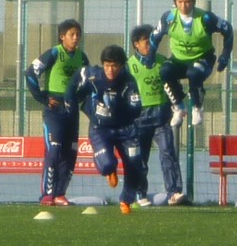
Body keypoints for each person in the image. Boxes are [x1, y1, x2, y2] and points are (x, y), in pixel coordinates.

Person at [65, 45, 144, 215]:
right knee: (108, 164)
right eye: (107, 65)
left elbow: (137, 108)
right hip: (100, 128)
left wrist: (118, 107)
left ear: (122, 65)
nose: (110, 70)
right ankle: (109, 170)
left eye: (114, 65)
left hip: (126, 129)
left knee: (135, 165)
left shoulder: (129, 81)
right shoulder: (93, 75)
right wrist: (71, 102)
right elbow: (74, 82)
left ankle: (125, 200)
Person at [25, 19, 89, 206]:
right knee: (54, 150)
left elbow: (89, 81)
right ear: (62, 36)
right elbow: (30, 72)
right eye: (72, 34)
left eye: (78, 34)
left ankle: (60, 193)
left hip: (72, 110)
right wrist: (42, 97)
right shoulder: (54, 53)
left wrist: (80, 97)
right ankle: (47, 193)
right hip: (54, 109)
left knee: (71, 152)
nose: (76, 38)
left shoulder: (82, 58)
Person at [151, 0, 234, 127]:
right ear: (175, 2)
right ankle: (178, 106)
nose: (183, 6)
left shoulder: (205, 18)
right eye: (180, 2)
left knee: (193, 73)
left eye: (187, 2)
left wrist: (225, 56)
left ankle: (197, 106)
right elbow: (154, 37)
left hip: (203, 57)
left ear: (194, 1)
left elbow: (228, 30)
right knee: (164, 71)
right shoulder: (168, 19)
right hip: (178, 59)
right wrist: (151, 57)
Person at [127, 24, 186, 207]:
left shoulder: (163, 62)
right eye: (146, 41)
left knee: (168, 152)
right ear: (136, 44)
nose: (150, 44)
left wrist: (178, 104)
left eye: (153, 40)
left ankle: (174, 193)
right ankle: (139, 194)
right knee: (140, 158)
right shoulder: (130, 66)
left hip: (162, 116)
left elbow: (175, 87)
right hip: (140, 117)